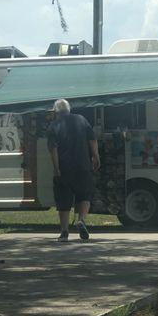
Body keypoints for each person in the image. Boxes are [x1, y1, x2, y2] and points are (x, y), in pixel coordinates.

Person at [47, 99, 100, 242]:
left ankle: (64, 232)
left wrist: (56, 168)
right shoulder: (81, 119)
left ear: (55, 112)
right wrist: (96, 156)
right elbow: (92, 139)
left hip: (64, 168)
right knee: (84, 195)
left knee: (63, 201)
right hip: (83, 166)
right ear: (69, 109)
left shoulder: (53, 126)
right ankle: (81, 220)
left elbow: (53, 149)